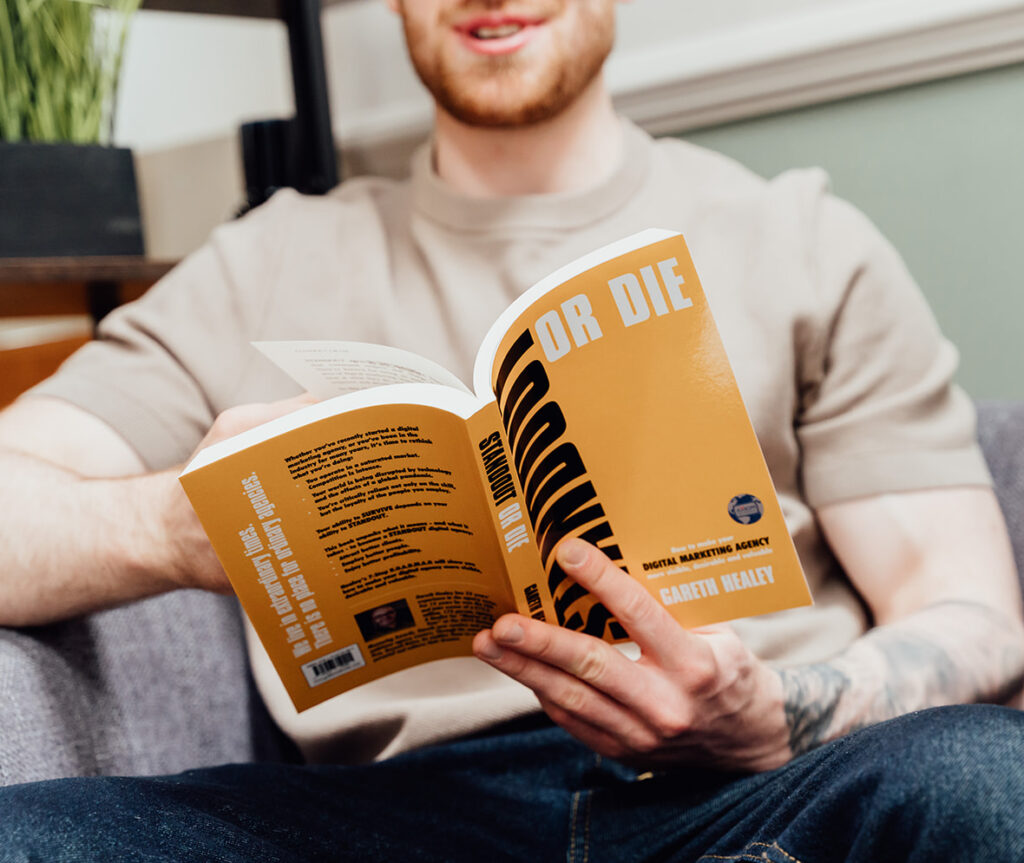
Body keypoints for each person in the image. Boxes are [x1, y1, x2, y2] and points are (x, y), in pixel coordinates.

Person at [2, 0, 1024, 860]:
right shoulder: (261, 261)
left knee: (983, 774)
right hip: (402, 812)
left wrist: (772, 710)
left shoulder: (801, 239)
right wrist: (171, 529)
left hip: (756, 788)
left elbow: (970, 611)